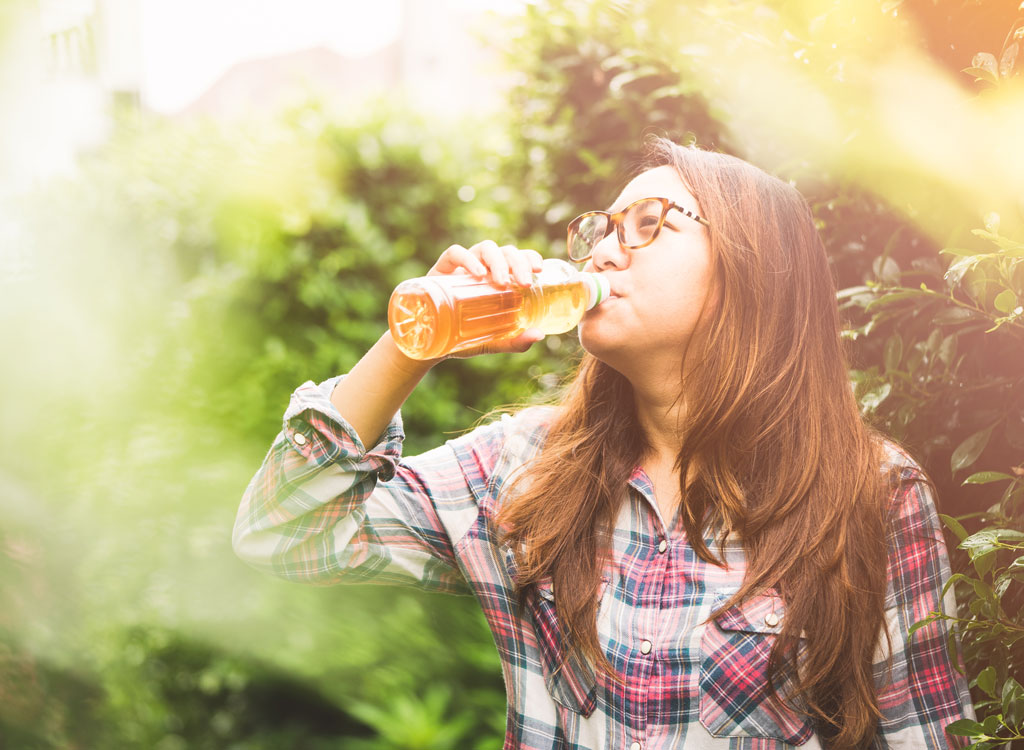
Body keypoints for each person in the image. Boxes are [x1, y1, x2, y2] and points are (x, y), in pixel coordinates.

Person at [233, 139, 974, 749]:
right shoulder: (522, 469)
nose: (605, 254)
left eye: (650, 224)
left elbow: (925, 735)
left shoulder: (868, 490)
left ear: (752, 268)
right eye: (604, 229)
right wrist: (410, 345)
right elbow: (284, 529)